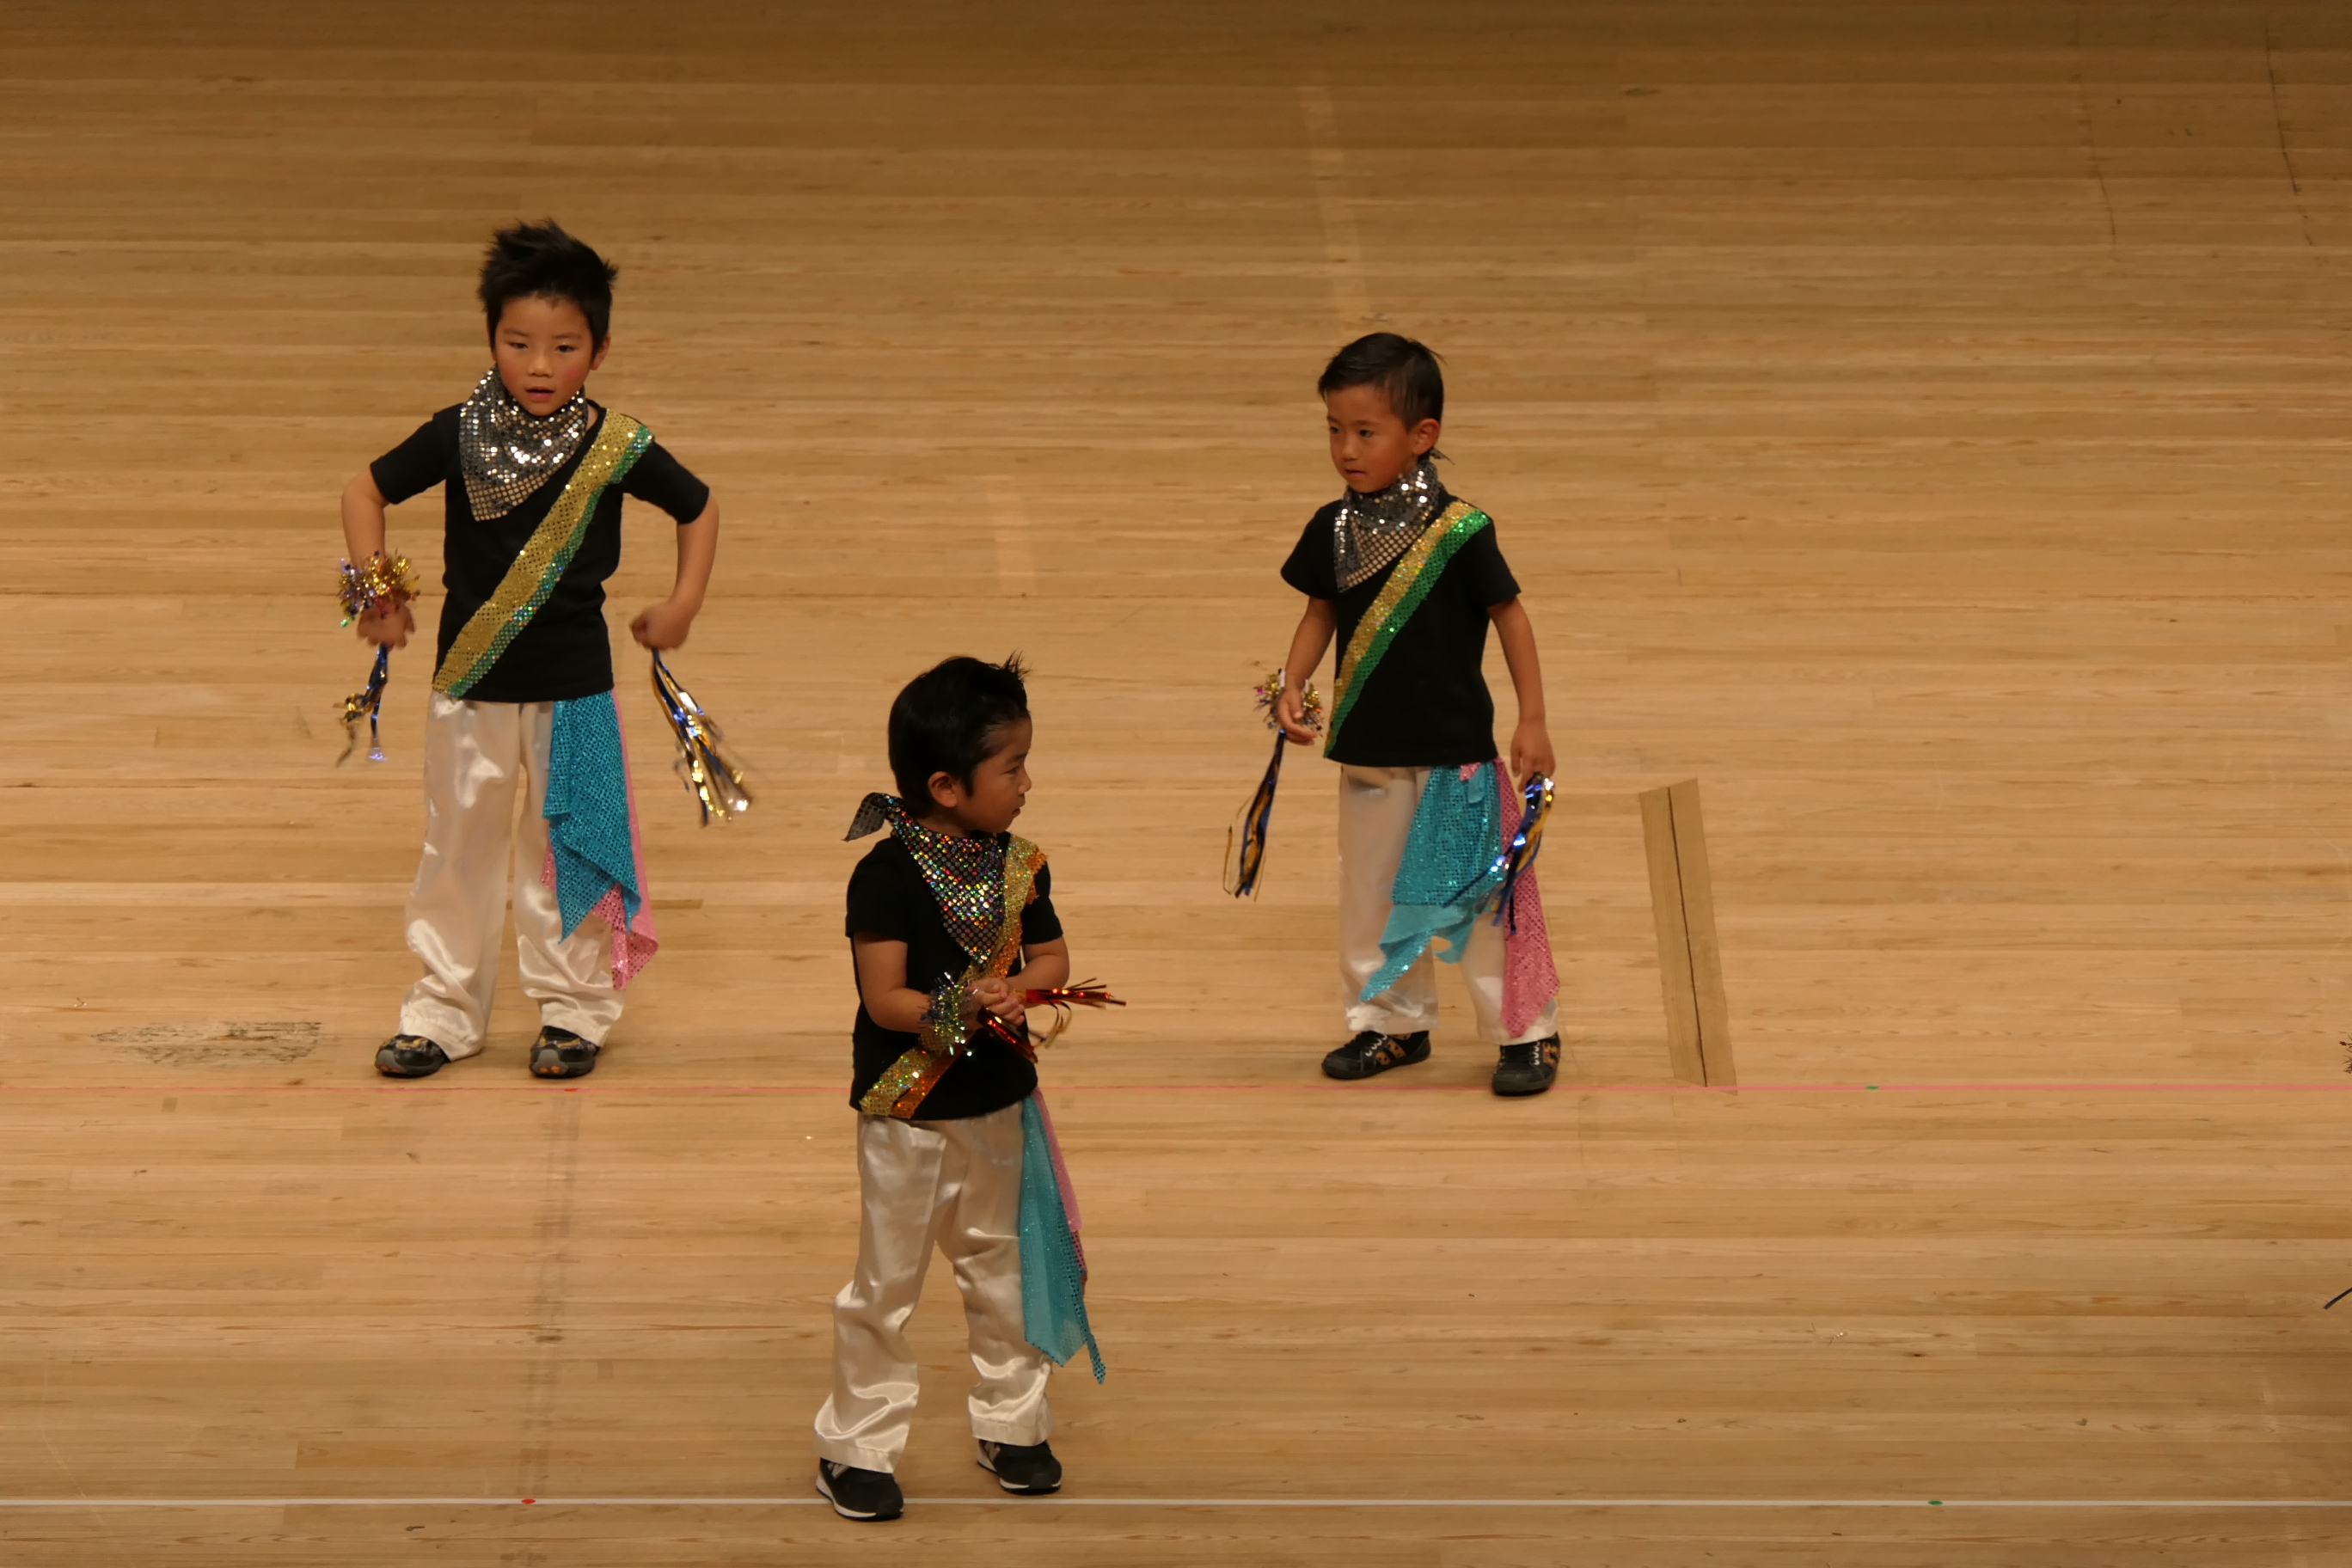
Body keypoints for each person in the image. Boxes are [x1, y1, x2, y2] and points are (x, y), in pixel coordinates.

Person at [340, 220, 720, 1081]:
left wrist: (684, 604)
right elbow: (364, 492)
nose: (540, 365)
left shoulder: (617, 446)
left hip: (577, 691)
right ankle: (442, 1013)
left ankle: (574, 1012)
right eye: (519, 344)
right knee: (458, 850)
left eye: (564, 347)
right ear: (491, 340)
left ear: (600, 350)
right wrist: (377, 594)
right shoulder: (457, 432)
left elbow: (697, 506)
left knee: (571, 851)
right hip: (469, 685)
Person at [814, 656, 1101, 1523]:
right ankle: (855, 1446)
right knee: (886, 1285)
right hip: (908, 1115)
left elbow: (1052, 960)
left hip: (999, 1106)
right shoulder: (885, 876)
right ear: (946, 785)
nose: (1026, 785)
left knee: (1003, 1272)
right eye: (1012, 768)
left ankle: (1012, 1425)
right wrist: (966, 1005)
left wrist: (1024, 988)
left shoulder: (1022, 865)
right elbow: (885, 1000)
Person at [1271, 333, 1565, 1097]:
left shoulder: (1462, 531)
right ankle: (1391, 1024)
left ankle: (1525, 1033)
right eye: (1335, 429)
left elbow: (1511, 618)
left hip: (1455, 755)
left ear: (1422, 435)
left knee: (1479, 899)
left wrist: (1532, 720)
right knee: (1371, 895)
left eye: (1366, 432)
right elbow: (1320, 614)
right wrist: (1292, 683)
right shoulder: (1332, 529)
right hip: (1369, 749)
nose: (1346, 449)